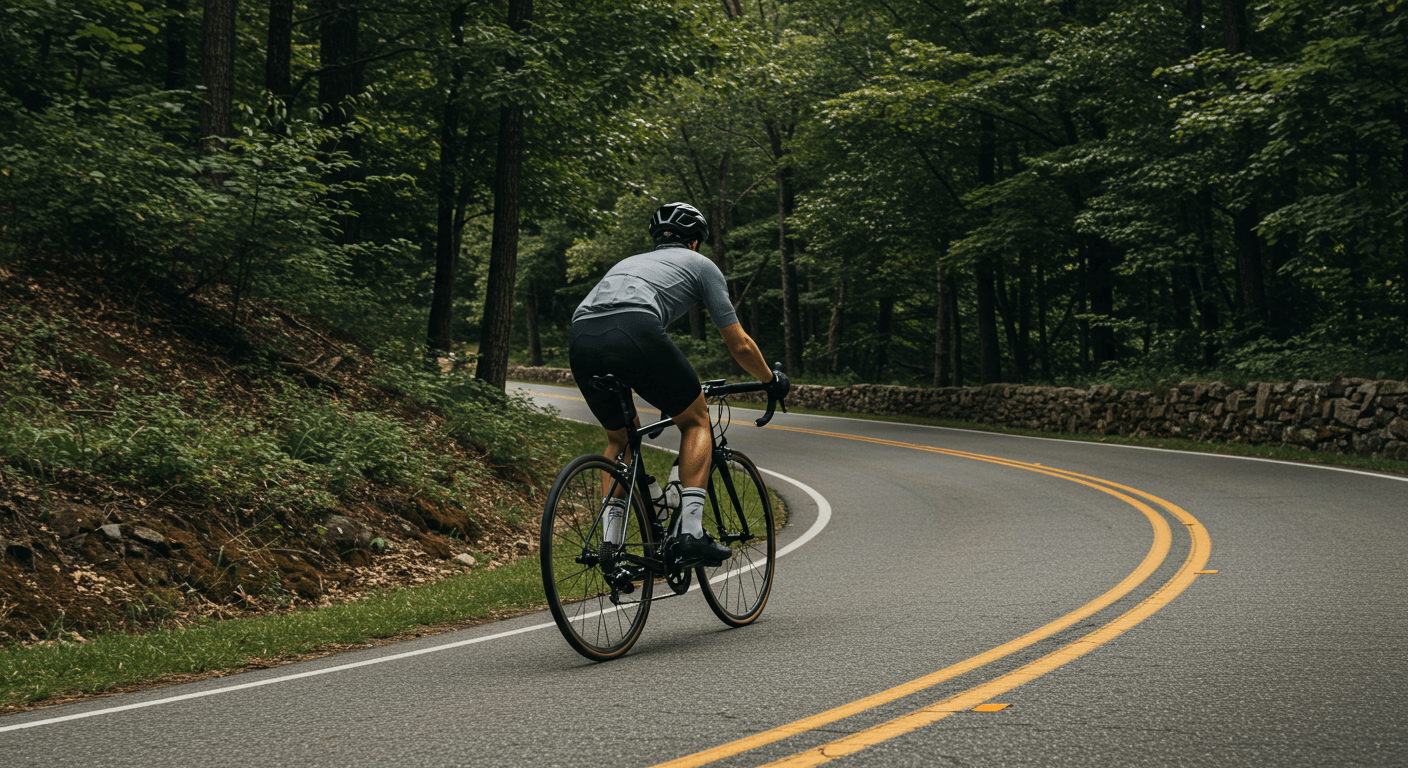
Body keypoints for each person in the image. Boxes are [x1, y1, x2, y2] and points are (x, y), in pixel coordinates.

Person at [569, 202, 790, 563]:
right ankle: (690, 532)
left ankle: (611, 543)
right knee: (696, 420)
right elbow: (740, 345)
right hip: (636, 330)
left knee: (620, 438)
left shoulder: (627, 264)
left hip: (581, 337)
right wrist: (772, 379)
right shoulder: (701, 265)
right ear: (695, 242)